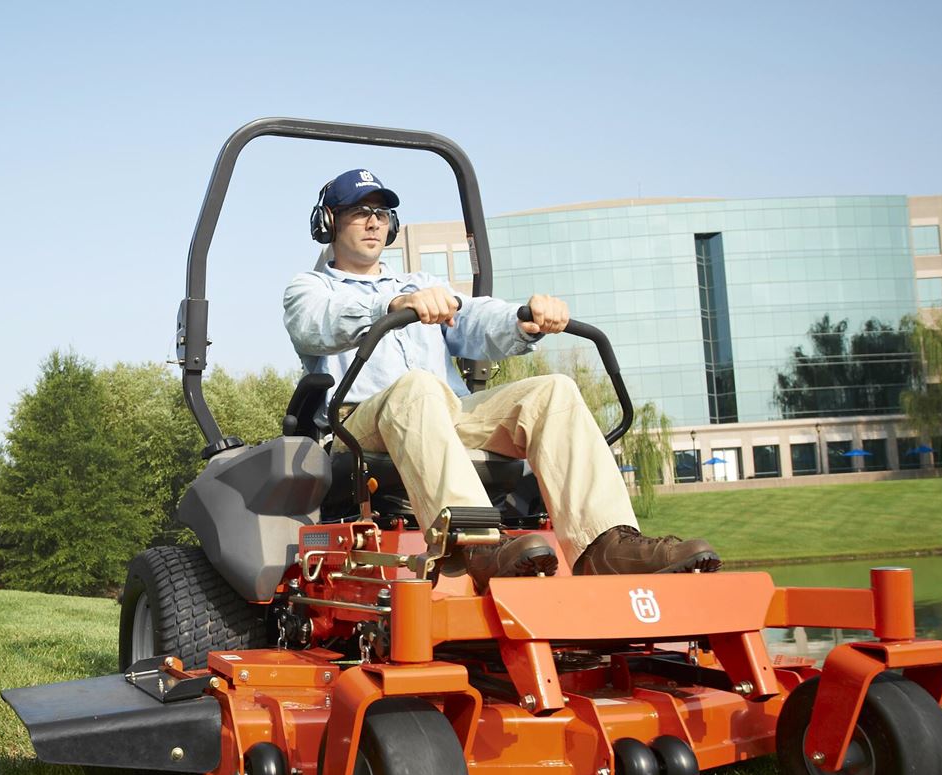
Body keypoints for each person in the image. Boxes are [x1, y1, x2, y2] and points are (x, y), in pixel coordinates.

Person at [282, 168, 718, 583]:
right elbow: (315, 324)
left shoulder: (423, 282)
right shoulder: (311, 288)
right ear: (329, 221)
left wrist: (523, 320)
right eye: (360, 211)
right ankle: (478, 545)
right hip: (358, 426)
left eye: (381, 213)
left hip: (445, 416)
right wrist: (390, 306)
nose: (373, 222)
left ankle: (604, 546)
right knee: (417, 388)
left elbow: (475, 317)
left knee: (553, 391)